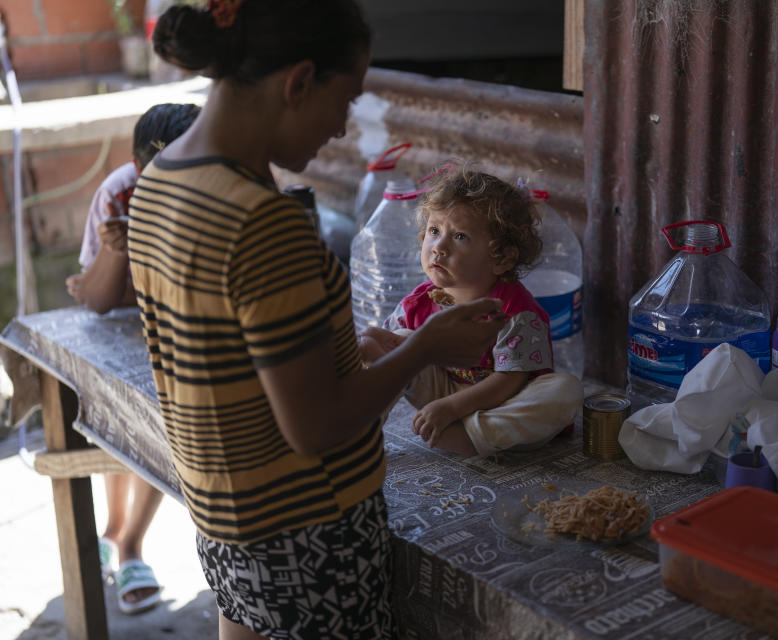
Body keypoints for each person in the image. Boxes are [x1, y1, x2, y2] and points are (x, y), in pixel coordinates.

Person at [129, 2, 505, 638]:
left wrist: (356, 350)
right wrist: (422, 348)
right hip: (306, 542)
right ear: (298, 82)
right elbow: (316, 426)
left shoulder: (162, 181)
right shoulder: (263, 222)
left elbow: (231, 359)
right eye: (345, 99)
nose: (341, 129)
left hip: (226, 528)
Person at [65, 102, 200, 615]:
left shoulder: (221, 191)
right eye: (153, 182)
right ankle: (117, 534)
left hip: (189, 334)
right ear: (139, 170)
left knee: (164, 427)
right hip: (129, 334)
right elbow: (100, 298)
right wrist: (115, 253)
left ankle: (127, 542)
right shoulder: (121, 192)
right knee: (119, 415)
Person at [358, 165, 583, 456]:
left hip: (499, 405)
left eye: (460, 236)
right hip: (439, 396)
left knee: (565, 390)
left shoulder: (514, 312)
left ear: (501, 258)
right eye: (434, 230)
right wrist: (375, 345)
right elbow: (393, 356)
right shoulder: (418, 304)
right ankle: (361, 431)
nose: (438, 247)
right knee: (382, 339)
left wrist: (451, 408)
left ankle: (473, 436)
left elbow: (510, 379)